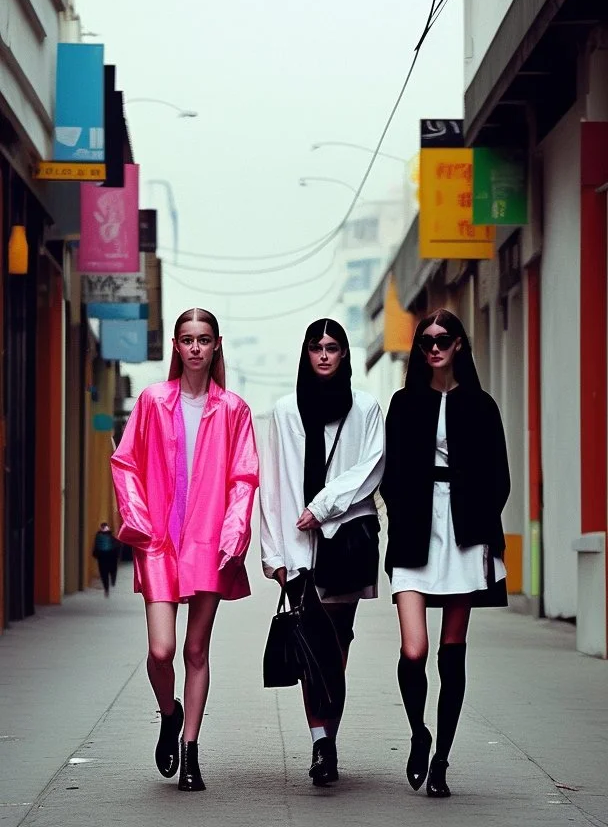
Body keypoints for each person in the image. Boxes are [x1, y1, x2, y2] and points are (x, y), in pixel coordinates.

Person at [111, 308, 259, 792]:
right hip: (159, 540)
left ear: (217, 345)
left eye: (204, 339)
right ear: (176, 346)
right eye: (187, 339)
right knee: (162, 648)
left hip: (209, 540)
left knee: (196, 649)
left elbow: (243, 477)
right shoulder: (153, 401)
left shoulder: (233, 409)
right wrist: (138, 518)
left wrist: (235, 533)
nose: (195, 347)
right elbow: (125, 461)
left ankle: (191, 750)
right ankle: (169, 713)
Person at [381, 308, 510, 799]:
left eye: (443, 339)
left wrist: (479, 522)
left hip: (466, 532)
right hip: (415, 531)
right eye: (426, 340)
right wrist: (401, 510)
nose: (434, 347)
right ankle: (419, 733)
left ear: (459, 345)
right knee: (414, 649)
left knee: (451, 650)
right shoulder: (403, 403)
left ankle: (441, 762)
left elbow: (500, 478)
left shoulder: (481, 405)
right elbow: (390, 474)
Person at [260, 318, 385, 786]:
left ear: (345, 354)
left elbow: (371, 469)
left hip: (346, 540)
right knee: (312, 648)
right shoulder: (285, 411)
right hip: (298, 548)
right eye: (317, 348)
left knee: (336, 647)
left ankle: (328, 735)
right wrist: (272, 553)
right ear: (306, 355)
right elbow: (270, 485)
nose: (325, 355)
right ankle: (321, 744)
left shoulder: (366, 409)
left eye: (333, 347)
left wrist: (322, 506)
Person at [92, 522, 120, 597]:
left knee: (104, 573)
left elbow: (95, 547)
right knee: (113, 570)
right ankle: (113, 580)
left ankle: (106, 588)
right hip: (111, 556)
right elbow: (117, 545)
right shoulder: (111, 535)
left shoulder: (98, 536)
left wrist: (95, 554)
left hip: (102, 557)